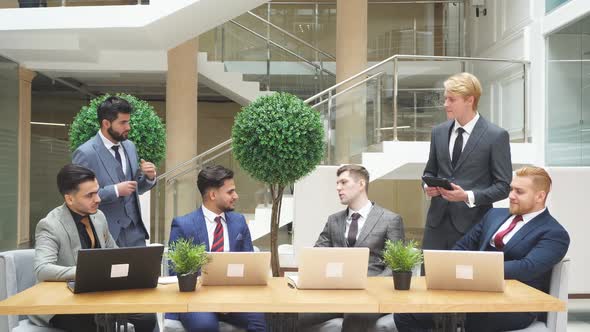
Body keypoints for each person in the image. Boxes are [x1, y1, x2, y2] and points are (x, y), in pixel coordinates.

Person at [395, 166, 570, 332]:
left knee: (445, 317)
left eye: (519, 192)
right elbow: (462, 247)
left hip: (515, 306)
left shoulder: (554, 233)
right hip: (471, 295)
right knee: (405, 314)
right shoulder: (494, 215)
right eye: (511, 189)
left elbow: (526, 268)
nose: (511, 195)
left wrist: (474, 269)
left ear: (540, 196)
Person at [29, 164, 157, 332]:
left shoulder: (98, 216)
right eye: (90, 195)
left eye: (97, 192)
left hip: (99, 297)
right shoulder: (50, 225)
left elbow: (116, 253)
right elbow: (42, 269)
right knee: (94, 323)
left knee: (147, 316)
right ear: (69, 199)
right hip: (65, 304)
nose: (98, 199)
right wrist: (88, 271)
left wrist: (137, 267)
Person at [299, 164, 405, 332]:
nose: (338, 188)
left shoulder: (390, 220)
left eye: (343, 182)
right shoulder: (334, 220)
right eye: (337, 183)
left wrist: (370, 286)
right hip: (335, 295)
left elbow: (396, 265)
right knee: (293, 314)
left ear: (361, 184)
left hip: (371, 296)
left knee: (356, 314)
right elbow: (317, 257)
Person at [166, 165, 266, 332]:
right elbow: (175, 271)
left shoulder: (239, 222)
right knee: (206, 326)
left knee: (258, 320)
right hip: (197, 298)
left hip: (233, 297)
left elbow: (250, 265)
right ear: (213, 194)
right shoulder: (183, 225)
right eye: (230, 192)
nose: (236, 196)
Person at [422, 72, 512, 251]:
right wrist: (427, 187)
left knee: (464, 279)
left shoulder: (496, 136)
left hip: (472, 227)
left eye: (451, 99)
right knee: (430, 278)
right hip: (435, 226)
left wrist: (467, 196)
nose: (445, 104)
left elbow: (503, 187)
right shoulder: (438, 132)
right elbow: (429, 172)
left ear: (470, 100)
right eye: (445, 98)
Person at [73, 96, 157, 247]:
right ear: (106, 123)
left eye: (128, 121)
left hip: (136, 233)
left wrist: (149, 178)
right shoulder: (85, 153)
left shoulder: (130, 146)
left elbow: (136, 188)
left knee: (142, 271)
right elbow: (80, 197)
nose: (128, 127)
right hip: (105, 234)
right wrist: (116, 190)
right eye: (123, 122)